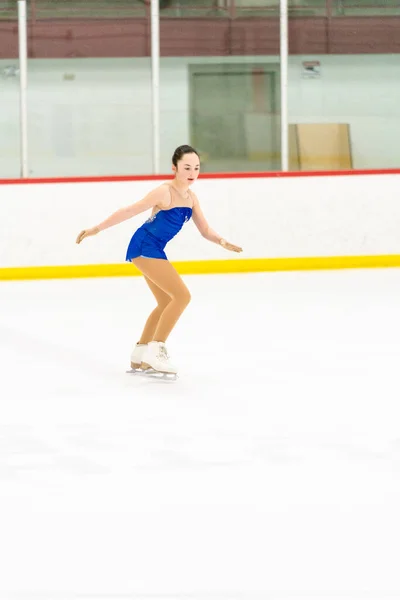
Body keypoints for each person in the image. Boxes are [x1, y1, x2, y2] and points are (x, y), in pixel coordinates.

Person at [76, 144, 242, 375]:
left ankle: (141, 353)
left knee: (166, 302)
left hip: (154, 248)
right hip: (144, 246)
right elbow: (129, 211)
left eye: (196, 167)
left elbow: (204, 229)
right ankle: (157, 350)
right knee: (182, 296)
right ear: (174, 167)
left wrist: (223, 242)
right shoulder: (164, 192)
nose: (192, 172)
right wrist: (97, 228)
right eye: (186, 167)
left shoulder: (191, 198)